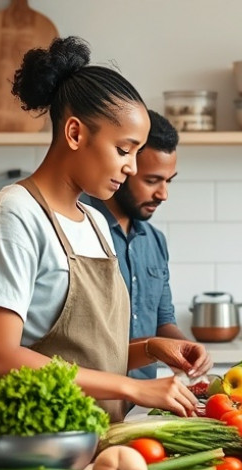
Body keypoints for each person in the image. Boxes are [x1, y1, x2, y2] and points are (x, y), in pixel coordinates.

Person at [0, 36, 211, 422]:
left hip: (93, 442)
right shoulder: (12, 216)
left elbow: (87, 359)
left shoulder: (93, 221)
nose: (130, 168)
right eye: (124, 150)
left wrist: (150, 348)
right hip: (34, 452)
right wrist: (133, 386)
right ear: (75, 133)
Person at [81, 110, 188, 380]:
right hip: (91, 401)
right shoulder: (77, 229)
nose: (163, 194)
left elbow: (163, 322)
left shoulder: (155, 241)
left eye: (168, 181)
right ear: (124, 168)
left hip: (142, 406)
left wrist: (188, 350)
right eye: (152, 181)